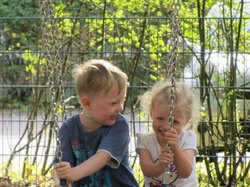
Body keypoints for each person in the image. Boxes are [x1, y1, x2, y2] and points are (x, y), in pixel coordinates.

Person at [54, 59, 138, 187]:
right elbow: (59, 167)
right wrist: (61, 180)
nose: (120, 108)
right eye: (114, 103)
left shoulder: (119, 125)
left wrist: (73, 173)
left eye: (122, 101)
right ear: (87, 103)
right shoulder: (68, 128)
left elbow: (103, 157)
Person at [136, 80, 200, 187]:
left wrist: (176, 148)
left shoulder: (187, 138)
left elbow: (186, 172)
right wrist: (160, 166)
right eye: (160, 118)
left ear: (186, 120)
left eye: (174, 122)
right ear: (152, 113)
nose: (166, 127)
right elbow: (146, 170)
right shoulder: (145, 141)